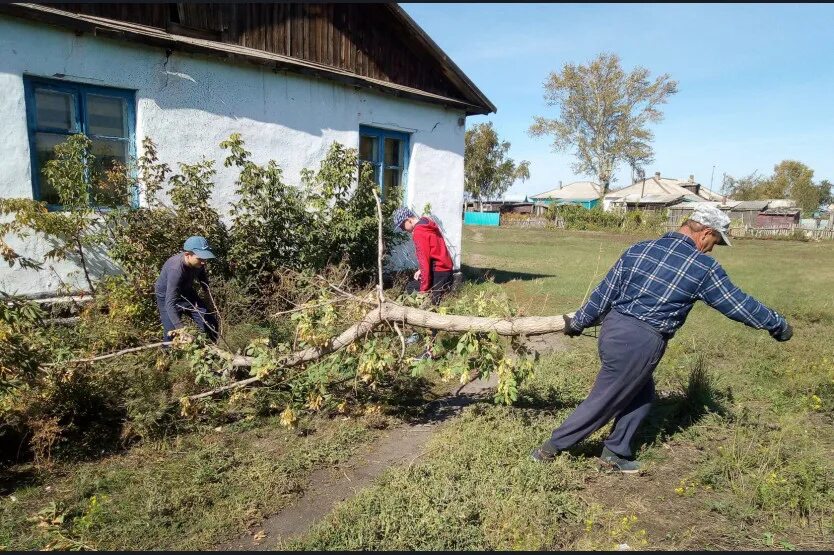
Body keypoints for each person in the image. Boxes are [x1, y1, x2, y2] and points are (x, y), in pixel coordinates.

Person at [531, 206, 793, 473]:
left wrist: (579, 322)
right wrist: (777, 324)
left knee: (641, 394)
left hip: (613, 330)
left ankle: (615, 452)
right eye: (715, 242)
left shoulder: (639, 249)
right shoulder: (702, 267)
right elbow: (738, 304)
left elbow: (604, 292)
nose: (713, 249)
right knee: (606, 398)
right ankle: (549, 449)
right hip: (641, 341)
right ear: (706, 233)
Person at [392, 207, 455, 358]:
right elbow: (434, 250)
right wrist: (421, 270)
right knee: (409, 288)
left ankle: (429, 352)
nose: (403, 229)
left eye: (402, 226)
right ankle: (417, 333)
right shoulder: (427, 223)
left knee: (431, 310)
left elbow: (425, 262)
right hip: (442, 268)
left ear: (408, 220)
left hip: (440, 272)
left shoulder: (419, 232)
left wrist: (424, 289)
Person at [155, 236, 220, 344]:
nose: (203, 262)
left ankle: (212, 352)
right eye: (200, 258)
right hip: (167, 297)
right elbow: (170, 303)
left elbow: (202, 275)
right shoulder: (175, 269)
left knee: (211, 323)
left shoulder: (199, 263)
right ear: (187, 255)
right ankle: (167, 356)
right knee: (172, 334)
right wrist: (181, 329)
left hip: (187, 292)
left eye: (205, 258)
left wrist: (206, 292)